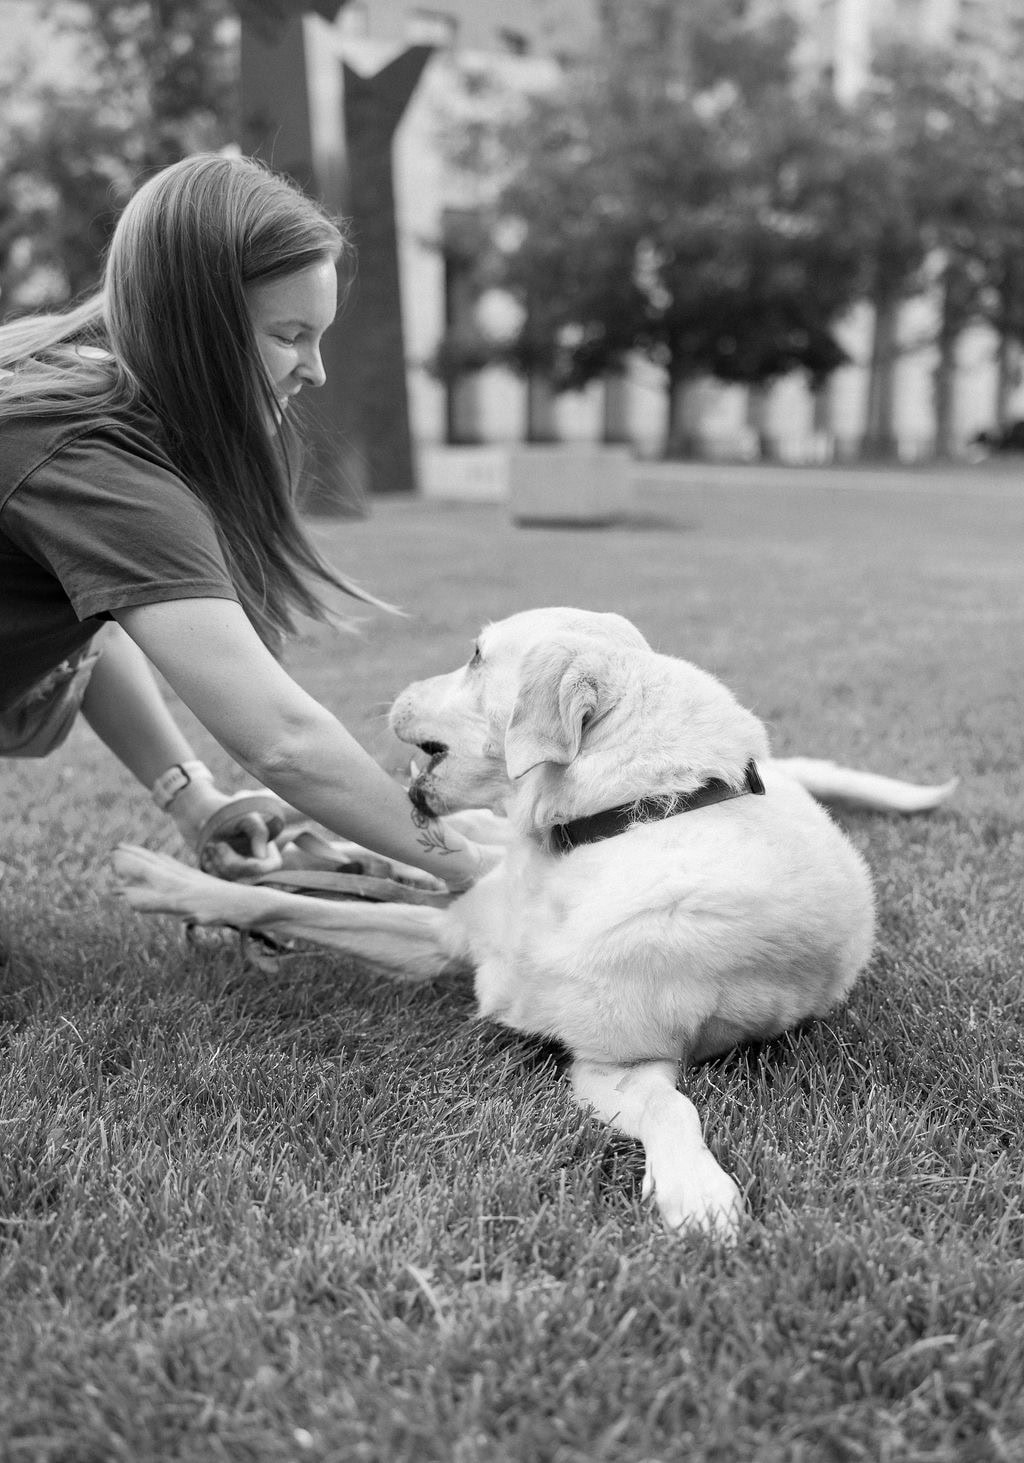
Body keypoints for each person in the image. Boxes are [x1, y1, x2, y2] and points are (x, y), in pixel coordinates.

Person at [0, 151, 491, 894]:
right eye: (290, 335)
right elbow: (284, 741)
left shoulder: (89, 387)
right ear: (192, 324)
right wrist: (483, 869)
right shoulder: (87, 452)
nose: (314, 369)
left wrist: (193, 799)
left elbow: (91, 625)